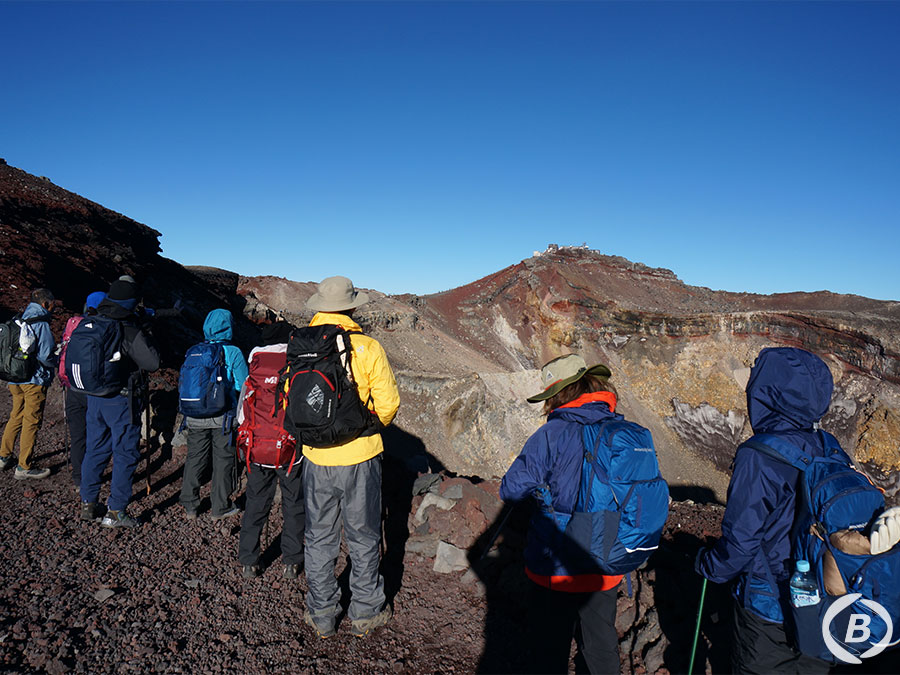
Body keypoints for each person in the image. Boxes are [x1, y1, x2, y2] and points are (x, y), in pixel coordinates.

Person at [696, 347, 834, 673]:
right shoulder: (828, 446)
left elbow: (740, 542)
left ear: (767, 391)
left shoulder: (758, 456)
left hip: (769, 603)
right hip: (823, 601)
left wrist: (708, 566)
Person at [500, 354, 626, 674]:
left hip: (555, 562)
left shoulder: (550, 435)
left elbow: (511, 489)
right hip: (605, 558)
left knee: (549, 646)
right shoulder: (623, 432)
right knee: (600, 645)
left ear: (557, 395)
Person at [300, 276, 400, 639]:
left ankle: (323, 614)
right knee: (363, 536)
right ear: (351, 307)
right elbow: (389, 406)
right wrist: (365, 427)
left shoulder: (300, 347)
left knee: (320, 537)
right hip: (361, 457)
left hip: (315, 457)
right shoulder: (368, 347)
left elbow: (289, 404)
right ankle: (366, 613)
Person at [80, 279, 161, 528]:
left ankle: (89, 502)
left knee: (95, 449)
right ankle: (116, 511)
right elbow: (152, 362)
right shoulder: (128, 329)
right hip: (121, 400)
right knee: (125, 452)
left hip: (94, 396)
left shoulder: (92, 322)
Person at [237, 321, 305, 579]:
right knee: (293, 504)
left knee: (255, 503)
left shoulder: (255, 363)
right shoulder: (296, 362)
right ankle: (291, 561)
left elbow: (244, 409)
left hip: (257, 447)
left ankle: (249, 561)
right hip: (289, 449)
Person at [179, 309, 248, 520]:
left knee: (195, 457)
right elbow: (243, 384)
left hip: (194, 415)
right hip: (223, 417)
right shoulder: (233, 352)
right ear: (228, 326)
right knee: (223, 459)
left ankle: (190, 504)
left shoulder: (193, 350)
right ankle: (220, 507)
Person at [0, 288, 56, 479]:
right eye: (52, 304)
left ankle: (4, 456)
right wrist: (55, 363)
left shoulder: (21, 318)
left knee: (16, 416)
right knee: (31, 421)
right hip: (34, 380)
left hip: (15, 378)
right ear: (45, 304)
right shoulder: (42, 324)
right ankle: (24, 467)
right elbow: (46, 355)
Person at [60, 291, 106, 490]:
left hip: (72, 386)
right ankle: (91, 477)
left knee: (78, 434)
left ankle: (78, 477)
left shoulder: (74, 325)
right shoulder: (103, 327)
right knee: (97, 435)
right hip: (92, 390)